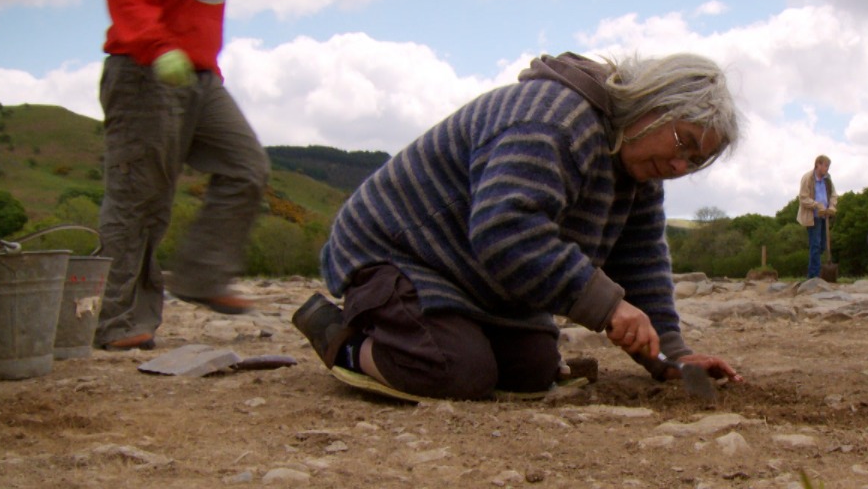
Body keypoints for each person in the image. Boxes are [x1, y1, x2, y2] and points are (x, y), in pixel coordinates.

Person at [293, 52, 745, 401]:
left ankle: (437, 332)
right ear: (653, 105)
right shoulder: (553, 119)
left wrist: (672, 357)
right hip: (399, 253)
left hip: (477, 276)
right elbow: (505, 229)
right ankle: (342, 339)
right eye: (683, 142)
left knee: (530, 373)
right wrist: (609, 308)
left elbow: (641, 263)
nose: (679, 164)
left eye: (696, 160)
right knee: (456, 371)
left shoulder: (639, 165)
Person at [94, 0, 271, 351]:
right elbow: (129, 2)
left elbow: (201, 23)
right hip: (144, 70)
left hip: (202, 80)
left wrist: (204, 70)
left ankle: (202, 276)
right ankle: (116, 321)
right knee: (140, 196)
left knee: (247, 167)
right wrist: (158, 47)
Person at [798, 155, 838, 278]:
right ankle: (813, 275)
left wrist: (832, 206)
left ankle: (817, 271)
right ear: (818, 165)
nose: (827, 168)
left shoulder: (828, 179)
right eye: (825, 165)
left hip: (824, 216)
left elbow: (833, 195)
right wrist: (816, 205)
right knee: (815, 245)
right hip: (812, 216)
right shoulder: (808, 178)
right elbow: (803, 198)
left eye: (828, 166)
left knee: (822, 246)